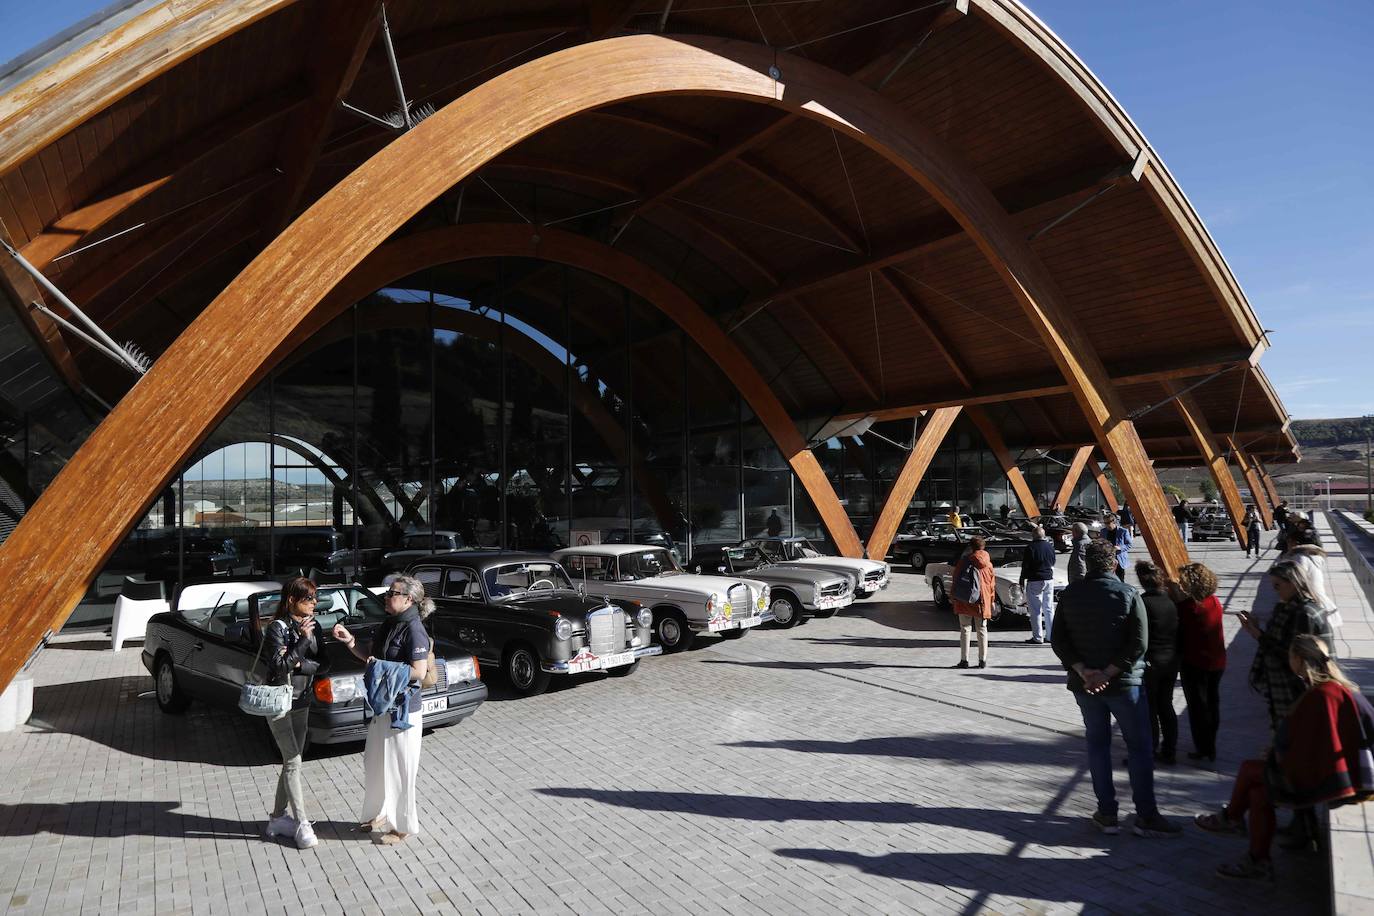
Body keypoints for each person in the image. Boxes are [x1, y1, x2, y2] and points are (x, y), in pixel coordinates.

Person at [1194, 635, 1374, 880]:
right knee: (1259, 794)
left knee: (1249, 769)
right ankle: (1258, 859)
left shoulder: (1322, 694)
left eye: (1290, 655)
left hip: (1343, 778)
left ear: (1298, 659)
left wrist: (1277, 754)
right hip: (1350, 770)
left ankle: (1231, 819)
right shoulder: (1332, 687)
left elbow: (1310, 746)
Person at [1051, 540, 1181, 838]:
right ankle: (1146, 814)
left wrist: (1084, 671)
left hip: (1085, 685)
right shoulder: (1128, 594)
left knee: (1097, 745)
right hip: (1124, 684)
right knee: (1139, 747)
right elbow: (1139, 643)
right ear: (1113, 563)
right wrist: (1109, 672)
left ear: (1087, 564)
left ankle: (1107, 813)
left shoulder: (1070, 595)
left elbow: (1059, 640)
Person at [333, 574, 433, 845]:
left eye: (392, 593)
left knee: (401, 768)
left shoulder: (414, 629)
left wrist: (380, 667)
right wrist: (350, 641)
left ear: (408, 599)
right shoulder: (390, 623)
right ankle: (377, 813)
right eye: (388, 592)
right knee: (375, 762)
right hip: (383, 705)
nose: (386, 597)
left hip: (403, 711)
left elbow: (418, 671)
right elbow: (371, 656)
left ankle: (402, 826)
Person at [262, 576, 323, 849]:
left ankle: (277, 818)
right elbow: (278, 667)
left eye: (314, 598)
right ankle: (302, 823)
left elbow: (322, 664)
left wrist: (299, 663)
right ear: (291, 600)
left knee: (292, 763)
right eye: (308, 598)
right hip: (279, 703)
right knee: (293, 761)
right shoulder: (276, 628)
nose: (314, 603)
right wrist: (303, 644)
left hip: (302, 700)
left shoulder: (313, 625)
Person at [1239, 560, 1334, 731]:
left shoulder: (1304, 613)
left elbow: (1293, 656)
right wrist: (1256, 629)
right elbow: (1281, 643)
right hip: (1287, 690)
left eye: (1277, 585)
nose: (1275, 591)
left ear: (1293, 583)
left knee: (1294, 735)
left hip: (1296, 692)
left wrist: (1258, 635)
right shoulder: (1287, 608)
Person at [1169, 562, 1226, 764]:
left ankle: (1203, 747)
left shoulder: (1188, 608)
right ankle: (1210, 745)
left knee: (1197, 707)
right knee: (1212, 702)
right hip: (1217, 661)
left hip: (1195, 663)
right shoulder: (1214, 601)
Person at [1136, 561, 1180, 765]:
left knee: (1150, 709)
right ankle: (1170, 750)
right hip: (1170, 660)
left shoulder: (1142, 603)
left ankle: (1150, 749)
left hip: (1151, 663)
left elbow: (1138, 635)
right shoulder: (1170, 601)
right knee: (1166, 705)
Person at [1281, 526, 1342, 629]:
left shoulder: (1300, 558)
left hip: (1309, 604)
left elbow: (1297, 580)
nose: (1287, 545)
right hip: (1320, 602)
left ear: (1295, 543)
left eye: (1289, 542)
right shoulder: (1314, 557)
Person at [950, 536, 995, 669]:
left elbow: (956, 579)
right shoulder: (988, 564)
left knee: (965, 628)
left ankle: (964, 660)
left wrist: (953, 595)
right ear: (983, 547)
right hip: (982, 600)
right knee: (982, 629)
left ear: (971, 547)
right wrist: (991, 600)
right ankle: (982, 660)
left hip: (965, 599)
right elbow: (992, 585)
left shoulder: (964, 561)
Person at [1019, 525, 1056, 644]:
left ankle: (1038, 637)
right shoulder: (1050, 547)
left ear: (1033, 535)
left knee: (1035, 609)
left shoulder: (1030, 547)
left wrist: (1022, 579)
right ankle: (1051, 636)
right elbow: (1053, 561)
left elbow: (1025, 566)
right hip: (1048, 579)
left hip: (1035, 579)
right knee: (1049, 608)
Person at [1102, 513, 1132, 581]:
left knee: (1120, 579)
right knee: (1108, 579)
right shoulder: (1103, 531)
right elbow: (1101, 542)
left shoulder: (1123, 531)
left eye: (1108, 522)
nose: (1107, 525)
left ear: (1113, 521)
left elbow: (1129, 544)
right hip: (1108, 559)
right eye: (1105, 523)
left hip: (1119, 559)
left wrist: (1120, 548)